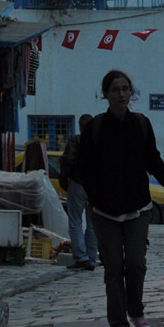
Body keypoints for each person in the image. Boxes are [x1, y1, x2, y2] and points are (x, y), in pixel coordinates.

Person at [76, 71, 164, 327]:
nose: (121, 94)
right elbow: (84, 168)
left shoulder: (141, 124)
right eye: (115, 89)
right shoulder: (94, 127)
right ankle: (118, 323)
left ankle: (136, 311)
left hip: (137, 207)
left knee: (135, 263)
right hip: (104, 210)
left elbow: (152, 159)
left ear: (132, 93)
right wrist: (95, 196)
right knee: (113, 268)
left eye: (125, 89)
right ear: (105, 94)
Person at [59, 113, 98, 271]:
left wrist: (65, 178)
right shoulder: (100, 142)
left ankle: (81, 257)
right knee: (93, 223)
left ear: (80, 127)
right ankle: (92, 258)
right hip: (95, 186)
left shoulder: (76, 140)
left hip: (78, 183)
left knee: (75, 221)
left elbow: (67, 160)